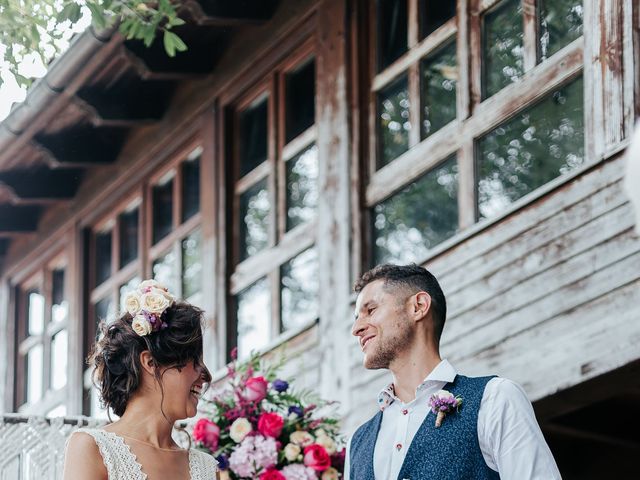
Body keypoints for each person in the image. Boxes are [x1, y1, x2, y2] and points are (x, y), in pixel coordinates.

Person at [346, 264, 561, 480]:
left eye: (370, 310)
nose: (356, 329)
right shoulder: (358, 442)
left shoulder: (495, 398)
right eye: (357, 318)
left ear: (418, 306)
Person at [63, 279, 219, 479]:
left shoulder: (208, 469)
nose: (206, 375)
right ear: (150, 362)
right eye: (194, 360)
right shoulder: (93, 448)